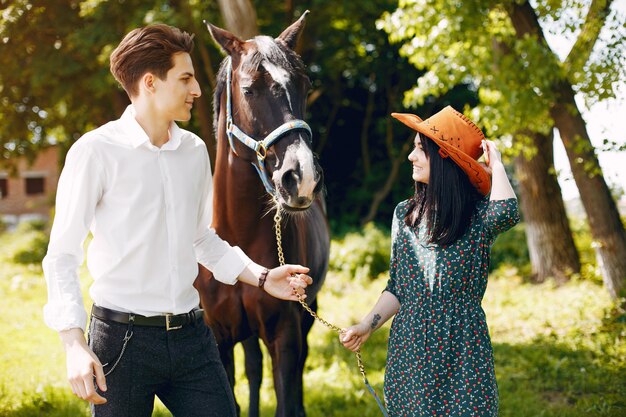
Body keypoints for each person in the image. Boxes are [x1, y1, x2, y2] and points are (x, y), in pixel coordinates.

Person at [42, 24, 312, 417]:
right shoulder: (94, 152)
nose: (198, 90)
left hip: (191, 338)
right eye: (185, 78)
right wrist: (73, 345)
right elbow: (62, 255)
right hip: (121, 341)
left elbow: (201, 238)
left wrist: (263, 276)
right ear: (150, 83)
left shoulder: (193, 150)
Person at [340, 106, 520, 416]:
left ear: (444, 158)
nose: (411, 156)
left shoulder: (476, 218)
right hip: (410, 352)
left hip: (463, 352)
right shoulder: (404, 215)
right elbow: (398, 287)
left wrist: (497, 163)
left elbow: (507, 212)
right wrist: (367, 325)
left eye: (420, 150)